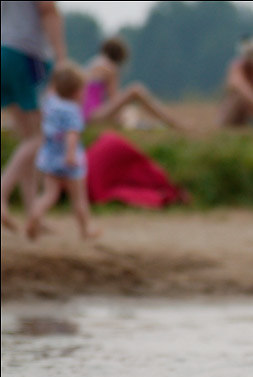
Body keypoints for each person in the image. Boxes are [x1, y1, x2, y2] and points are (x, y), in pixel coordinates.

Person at [0, 0, 66, 232]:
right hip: (25, 53)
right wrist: (61, 57)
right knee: (40, 137)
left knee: (28, 141)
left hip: (4, 52)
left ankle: (32, 213)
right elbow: (48, 8)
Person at [25, 60, 100, 241]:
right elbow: (72, 135)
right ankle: (86, 230)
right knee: (79, 199)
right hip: (69, 161)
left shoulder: (50, 104)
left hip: (49, 159)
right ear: (77, 92)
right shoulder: (73, 111)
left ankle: (35, 215)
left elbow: (52, 89)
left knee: (49, 195)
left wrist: (58, 75)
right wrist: (70, 155)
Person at [81, 37, 185, 130]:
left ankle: (149, 124)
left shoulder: (93, 63)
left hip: (86, 114)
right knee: (135, 91)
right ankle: (172, 123)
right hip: (92, 116)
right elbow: (114, 98)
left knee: (130, 112)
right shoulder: (110, 69)